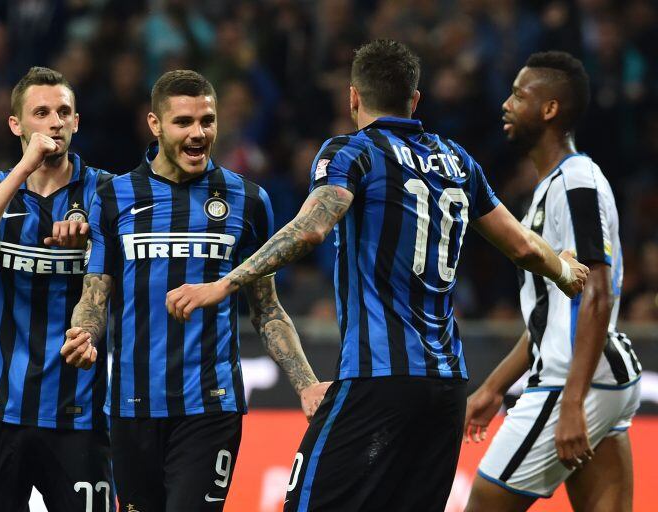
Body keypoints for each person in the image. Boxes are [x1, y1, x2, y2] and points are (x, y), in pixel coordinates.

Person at [164, 40, 590, 512]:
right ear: (415, 100)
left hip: (380, 379)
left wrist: (223, 284)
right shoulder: (456, 160)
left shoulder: (352, 152)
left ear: (352, 98)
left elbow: (311, 230)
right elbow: (522, 246)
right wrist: (564, 268)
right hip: (447, 388)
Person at [62, 69, 328, 511]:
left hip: (210, 406)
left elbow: (268, 310)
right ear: (155, 125)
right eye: (183, 122)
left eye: (207, 121)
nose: (198, 133)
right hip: (131, 408)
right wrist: (83, 334)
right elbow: (94, 297)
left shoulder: (247, 200)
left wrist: (304, 383)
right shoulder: (114, 197)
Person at [464, 51, 642, 512]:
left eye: (519, 96)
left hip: (575, 381)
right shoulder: (552, 185)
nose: (506, 104)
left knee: (482, 504)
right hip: (601, 375)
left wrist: (572, 402)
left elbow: (598, 296)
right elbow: (552, 315)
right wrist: (495, 387)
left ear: (549, 110)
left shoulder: (577, 182)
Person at [0, 67, 113, 512]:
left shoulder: (107, 193)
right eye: (41, 113)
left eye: (64, 112)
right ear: (16, 125)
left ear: (77, 122)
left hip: (78, 412)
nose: (55, 122)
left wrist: (95, 239)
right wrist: (25, 167)